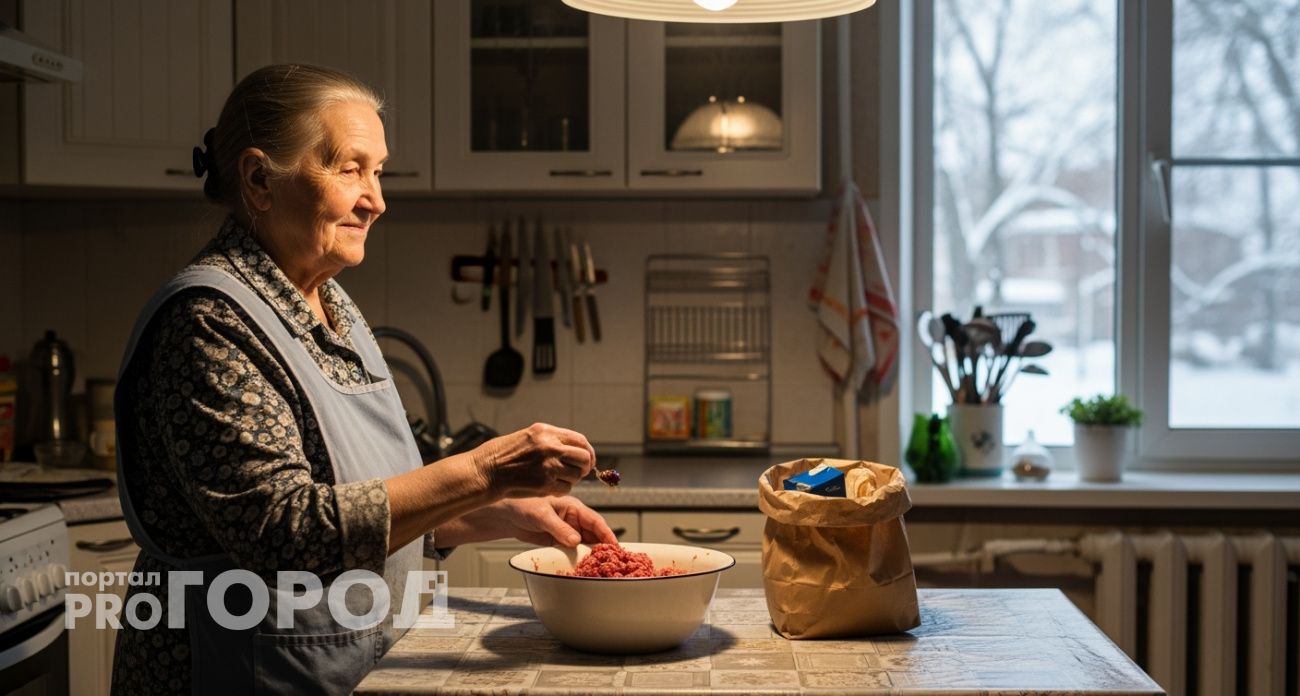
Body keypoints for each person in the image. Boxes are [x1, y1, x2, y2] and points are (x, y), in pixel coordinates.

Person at [111, 64, 617, 696]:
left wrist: (485, 510)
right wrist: (484, 471)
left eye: (378, 171)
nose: (377, 199)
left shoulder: (330, 302)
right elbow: (286, 535)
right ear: (260, 179)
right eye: (350, 169)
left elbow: (358, 500)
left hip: (344, 663)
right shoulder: (208, 321)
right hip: (231, 668)